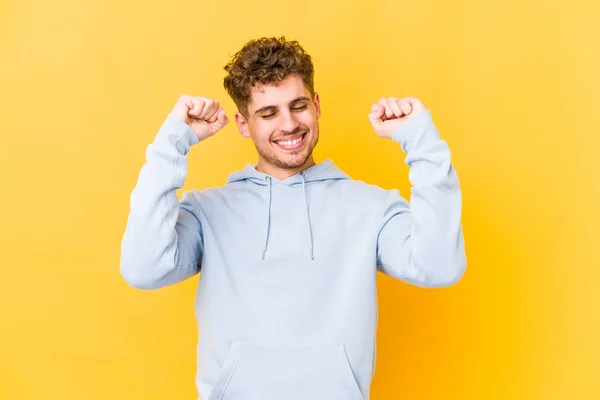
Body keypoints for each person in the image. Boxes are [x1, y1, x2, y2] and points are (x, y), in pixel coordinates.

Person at [120, 36, 466, 400]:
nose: (289, 125)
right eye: (268, 114)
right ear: (243, 123)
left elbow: (440, 266)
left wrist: (421, 141)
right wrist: (172, 143)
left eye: (298, 106)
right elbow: (144, 269)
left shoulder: (371, 208)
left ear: (316, 105)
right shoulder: (208, 212)